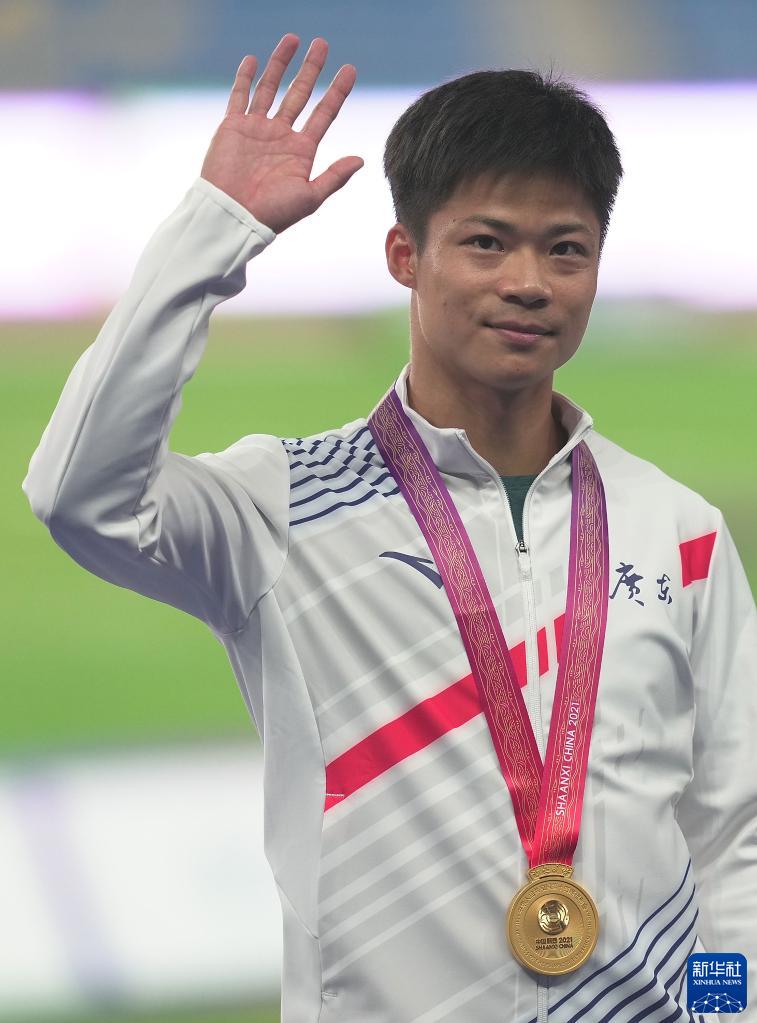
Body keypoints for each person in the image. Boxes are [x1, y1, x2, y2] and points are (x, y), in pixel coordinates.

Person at [23, 32, 756, 1023]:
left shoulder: (680, 533)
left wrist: (726, 1012)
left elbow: (734, 826)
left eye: (565, 249)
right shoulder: (281, 506)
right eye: (487, 242)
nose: (529, 281)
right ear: (404, 255)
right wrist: (214, 232)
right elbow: (78, 493)